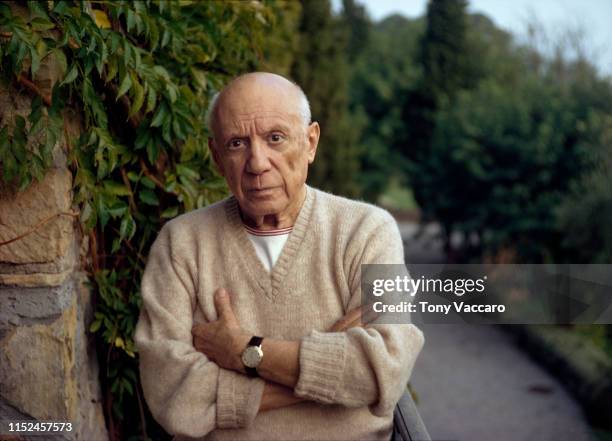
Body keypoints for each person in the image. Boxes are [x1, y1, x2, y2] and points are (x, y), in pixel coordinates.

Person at [134, 72, 424, 441]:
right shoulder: (180, 243)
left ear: (310, 143)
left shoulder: (369, 231)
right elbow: (172, 393)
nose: (257, 163)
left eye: (275, 138)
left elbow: (385, 368)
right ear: (217, 157)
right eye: (237, 143)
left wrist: (243, 351)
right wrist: (317, 367)